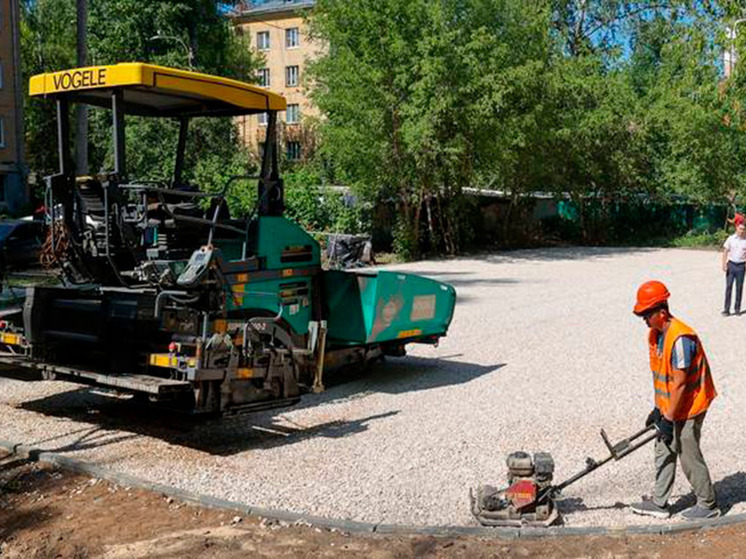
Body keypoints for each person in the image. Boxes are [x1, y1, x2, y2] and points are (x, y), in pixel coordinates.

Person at [630, 280, 719, 520]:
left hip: (691, 405)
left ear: (662, 311)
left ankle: (708, 505)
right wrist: (659, 409)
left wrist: (668, 418)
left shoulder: (681, 339)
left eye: (647, 314)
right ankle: (660, 503)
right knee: (663, 447)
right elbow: (663, 378)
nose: (644, 320)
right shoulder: (656, 334)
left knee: (687, 450)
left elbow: (680, 384)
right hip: (671, 405)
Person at [722, 214, 746, 316]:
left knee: (739, 288)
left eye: (744, 229)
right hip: (731, 265)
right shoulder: (730, 239)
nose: (742, 231)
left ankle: (737, 309)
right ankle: (726, 310)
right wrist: (723, 264)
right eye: (740, 229)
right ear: (737, 228)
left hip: (741, 266)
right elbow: (725, 251)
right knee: (728, 287)